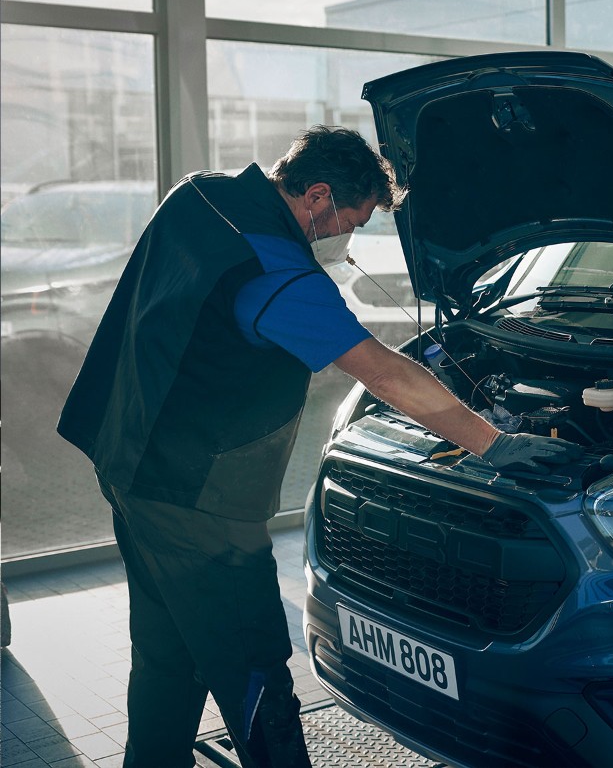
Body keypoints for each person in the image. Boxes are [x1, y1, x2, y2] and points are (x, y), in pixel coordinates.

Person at [58, 126, 580, 767]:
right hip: (197, 500)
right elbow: (384, 372)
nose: (348, 239)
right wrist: (490, 443)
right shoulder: (275, 268)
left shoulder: (197, 194)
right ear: (318, 196)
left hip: (127, 461)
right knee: (254, 668)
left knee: (170, 654)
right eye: (352, 221)